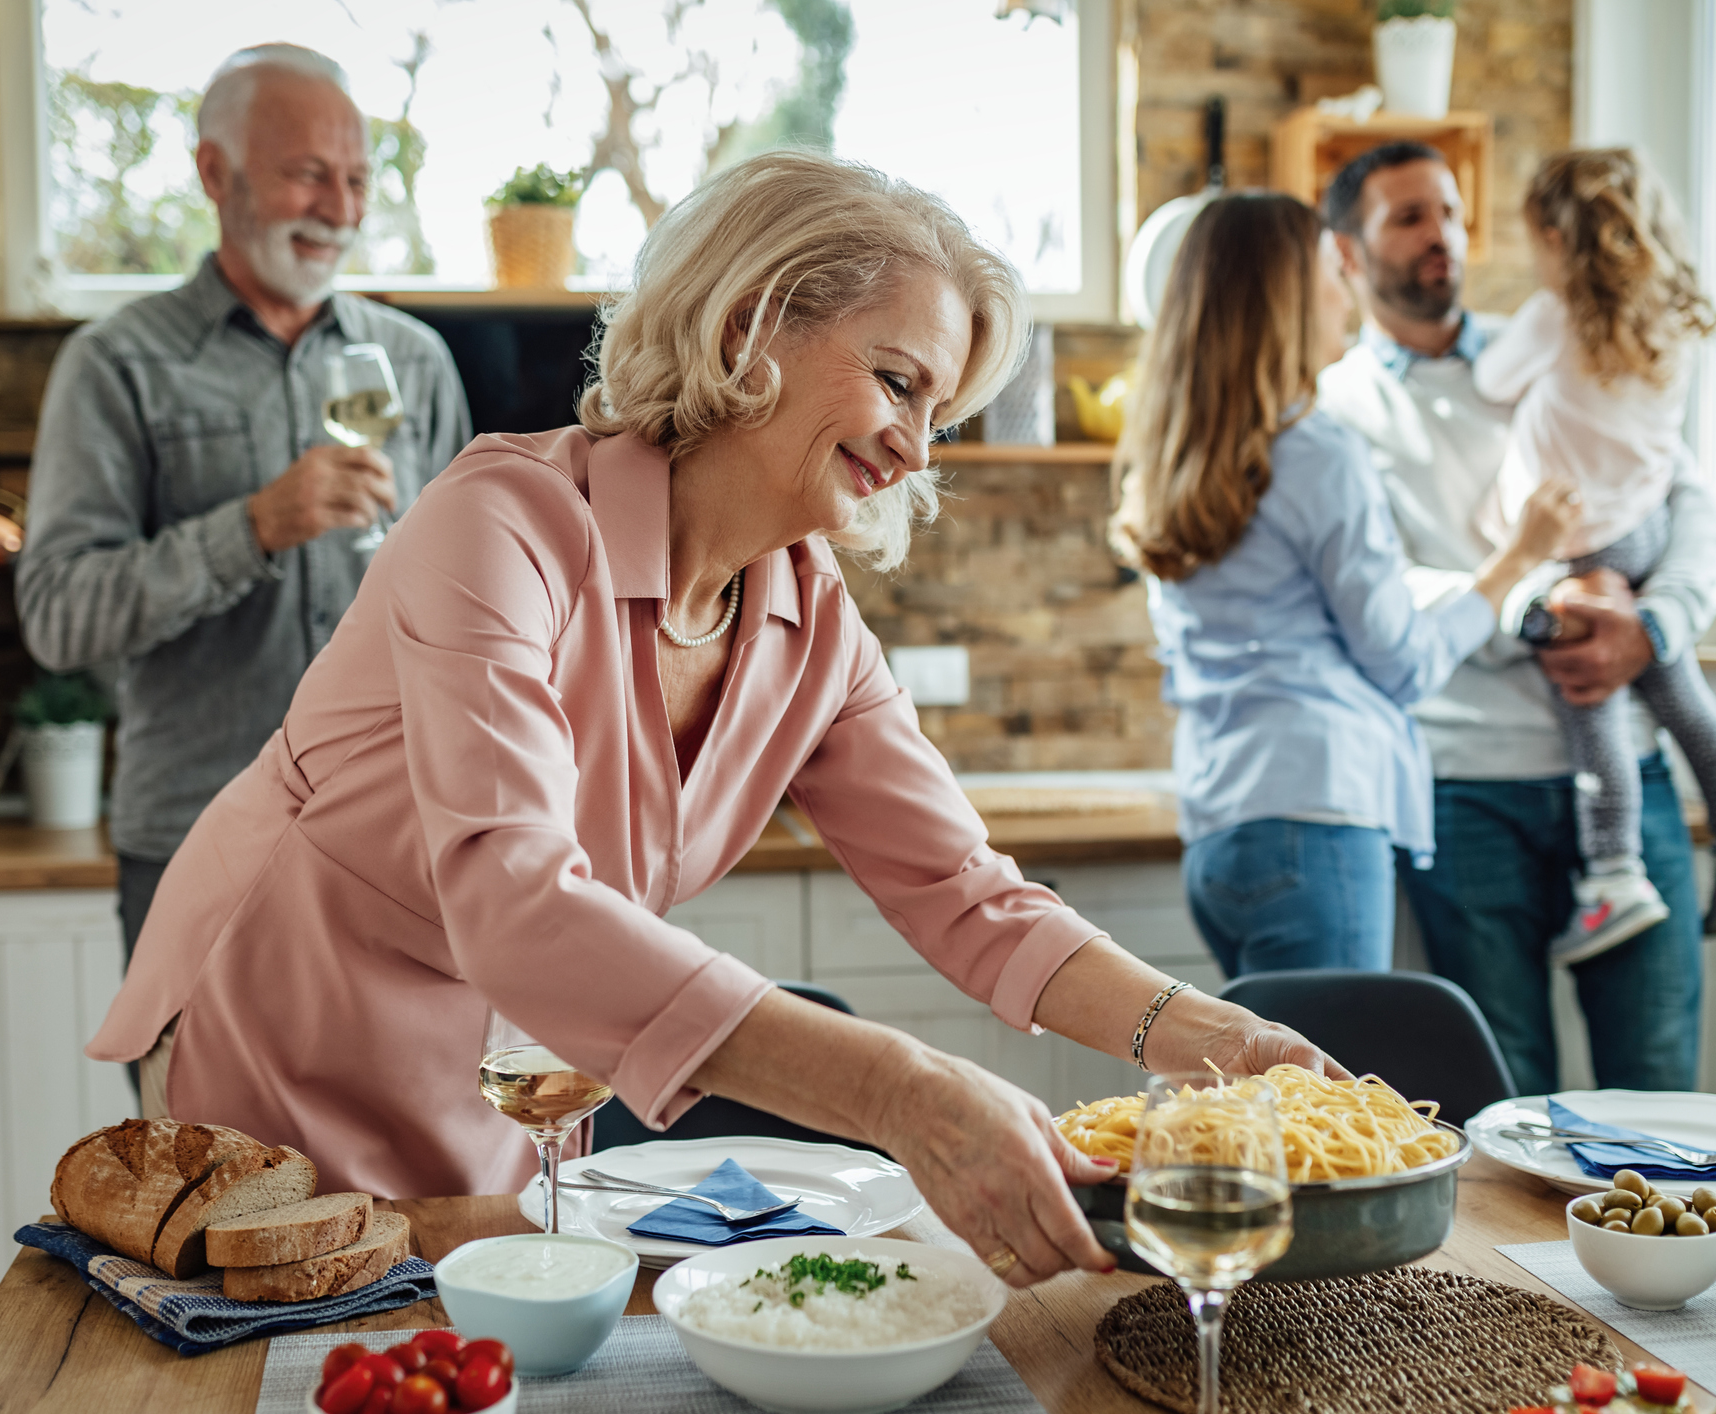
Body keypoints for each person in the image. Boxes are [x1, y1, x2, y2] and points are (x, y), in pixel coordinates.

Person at [86, 150, 1347, 1289]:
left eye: (939, 416)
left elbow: (969, 895)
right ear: (749, 329)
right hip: (286, 1035)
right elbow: (516, 898)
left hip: (511, 1088)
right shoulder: (503, 526)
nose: (914, 448)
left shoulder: (810, 622)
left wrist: (1213, 1034)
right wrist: (905, 1092)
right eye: (896, 382)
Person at [16, 45, 472, 960]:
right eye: (308, 176)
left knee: (401, 1109)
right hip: (196, 847)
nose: (340, 211)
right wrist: (254, 528)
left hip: (399, 842)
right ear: (214, 173)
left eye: (355, 179)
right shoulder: (116, 366)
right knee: (194, 1111)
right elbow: (59, 616)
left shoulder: (415, 359)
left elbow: (479, 596)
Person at [1312, 140, 1716, 1096]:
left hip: (1631, 772)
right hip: (1465, 789)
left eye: (1449, 212)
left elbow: (1688, 501)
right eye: (1406, 217)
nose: (1440, 235)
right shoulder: (1333, 414)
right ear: (1345, 253)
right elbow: (1380, 588)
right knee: (1503, 1098)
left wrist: (1653, 626)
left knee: (1659, 1087)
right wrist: (1539, 612)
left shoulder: (1562, 337)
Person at [1110, 193, 1581, 981]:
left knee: (1265, 1105)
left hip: (1220, 836)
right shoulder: (1317, 452)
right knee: (1320, 1099)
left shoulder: (1175, 457)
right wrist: (1515, 561)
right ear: (1286, 297)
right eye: (1334, 269)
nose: (1349, 290)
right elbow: (1401, 665)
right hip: (1314, 824)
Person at [1475, 149, 1716, 964]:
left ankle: (1614, 876)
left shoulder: (1554, 317)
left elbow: (1489, 379)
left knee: (1590, 705)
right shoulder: (1670, 322)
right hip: (1647, 530)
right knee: (1680, 693)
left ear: (1553, 235)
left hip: (1581, 539)